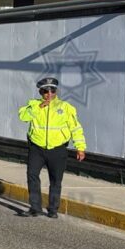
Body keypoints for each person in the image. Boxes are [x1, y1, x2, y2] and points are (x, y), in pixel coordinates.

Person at [18, 77, 86, 219]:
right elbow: (23, 117)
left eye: (52, 91)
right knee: (32, 175)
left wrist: (80, 147)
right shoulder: (33, 105)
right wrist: (38, 107)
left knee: (56, 179)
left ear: (56, 91)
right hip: (37, 147)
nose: (49, 94)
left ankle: (53, 209)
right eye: (45, 91)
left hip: (57, 149)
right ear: (40, 92)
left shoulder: (65, 107)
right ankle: (35, 207)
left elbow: (76, 128)